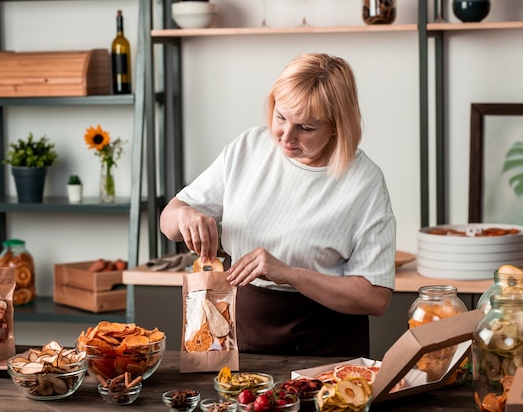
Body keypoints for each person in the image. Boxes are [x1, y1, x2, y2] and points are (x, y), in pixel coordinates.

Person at [160, 53, 396, 357]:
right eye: (281, 117)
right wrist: (185, 216)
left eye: (306, 128)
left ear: (337, 126)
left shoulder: (365, 182)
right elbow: (169, 220)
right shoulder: (248, 148)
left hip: (327, 349)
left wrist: (288, 273)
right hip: (241, 333)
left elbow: (375, 298)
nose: (286, 137)